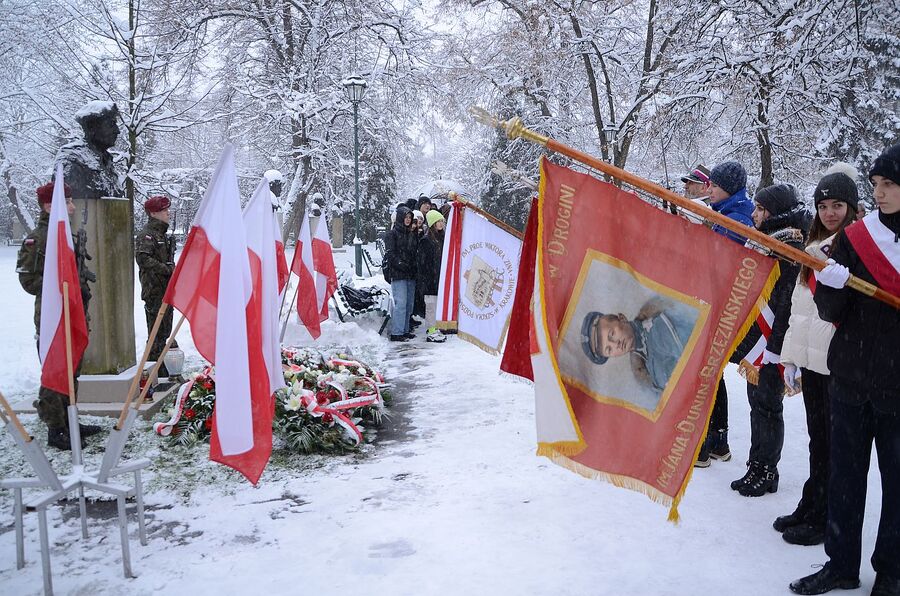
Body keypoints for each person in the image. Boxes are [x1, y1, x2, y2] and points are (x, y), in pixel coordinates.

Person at [789, 144, 900, 596]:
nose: (882, 192)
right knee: (845, 478)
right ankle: (840, 564)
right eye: (877, 185)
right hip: (851, 378)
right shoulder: (856, 238)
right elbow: (833, 311)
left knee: (897, 487)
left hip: (898, 387)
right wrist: (830, 284)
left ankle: (891, 570)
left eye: (891, 184)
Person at [775, 163, 859, 546]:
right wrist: (791, 357)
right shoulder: (811, 251)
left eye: (837, 205)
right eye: (823, 205)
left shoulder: (855, 250)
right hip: (811, 360)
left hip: (837, 363)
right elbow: (799, 309)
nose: (829, 213)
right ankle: (812, 503)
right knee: (816, 439)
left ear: (852, 207)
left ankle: (827, 515)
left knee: (832, 443)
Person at [729, 183, 809, 497]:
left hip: (775, 344)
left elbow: (786, 303)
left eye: (761, 209)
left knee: (768, 406)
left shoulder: (791, 250)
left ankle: (767, 469)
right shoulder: (768, 243)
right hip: (762, 340)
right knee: (756, 404)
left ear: (774, 212)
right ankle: (756, 464)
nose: (755, 213)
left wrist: (775, 351)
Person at [16, 182, 99, 450]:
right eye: (68, 201)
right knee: (56, 370)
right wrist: (58, 286)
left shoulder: (63, 234)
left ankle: (69, 419)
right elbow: (28, 281)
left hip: (73, 311)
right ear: (50, 206)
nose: (73, 206)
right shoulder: (38, 238)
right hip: (53, 315)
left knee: (72, 367)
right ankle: (56, 428)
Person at [694, 161, 755, 467]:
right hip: (717, 303)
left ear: (728, 188)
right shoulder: (729, 214)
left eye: (713, 186)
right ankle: (718, 442)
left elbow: (721, 263)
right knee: (712, 373)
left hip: (721, 306)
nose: (708, 190)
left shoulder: (737, 219)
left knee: (706, 372)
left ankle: (704, 444)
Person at [581, 298, 696, 396]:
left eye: (612, 334)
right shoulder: (644, 375)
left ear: (622, 318)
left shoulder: (660, 316)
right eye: (609, 349)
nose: (616, 344)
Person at [136, 195, 178, 376]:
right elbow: (143, 259)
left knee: (164, 331)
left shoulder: (162, 235)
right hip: (154, 290)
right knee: (156, 333)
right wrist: (166, 269)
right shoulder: (148, 235)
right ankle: (154, 373)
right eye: (163, 210)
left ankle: (161, 369)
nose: (167, 213)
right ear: (153, 213)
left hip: (166, 290)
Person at [384, 205, 418, 342]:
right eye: (406, 217)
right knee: (401, 302)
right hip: (398, 274)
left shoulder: (410, 233)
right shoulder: (392, 234)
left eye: (410, 217)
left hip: (410, 273)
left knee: (409, 303)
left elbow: (414, 251)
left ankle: (404, 329)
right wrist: (401, 264)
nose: (408, 220)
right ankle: (397, 332)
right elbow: (390, 254)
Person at [417, 210, 447, 343]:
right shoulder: (426, 240)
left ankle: (436, 327)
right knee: (431, 305)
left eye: (442, 221)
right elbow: (422, 263)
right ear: (433, 223)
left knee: (437, 304)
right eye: (438, 221)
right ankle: (431, 330)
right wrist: (428, 276)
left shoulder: (443, 238)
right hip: (430, 278)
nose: (441, 224)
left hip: (439, 276)